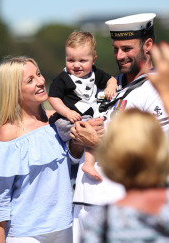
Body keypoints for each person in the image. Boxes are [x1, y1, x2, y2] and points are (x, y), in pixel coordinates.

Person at [81, 42, 169, 242]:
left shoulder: (100, 224)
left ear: (114, 160)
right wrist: (165, 90)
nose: (119, 56)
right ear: (160, 151)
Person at [70, 13, 169, 242]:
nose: (120, 56)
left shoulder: (159, 92)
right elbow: (75, 151)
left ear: (148, 45)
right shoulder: (105, 85)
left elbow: (154, 159)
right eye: (115, 49)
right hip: (82, 205)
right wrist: (77, 140)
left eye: (127, 49)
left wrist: (97, 143)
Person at [0, 56, 102, 243]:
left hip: (65, 226)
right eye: (30, 80)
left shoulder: (58, 121)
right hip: (26, 233)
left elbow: (71, 165)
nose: (40, 81)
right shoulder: (9, 133)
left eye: (38, 74)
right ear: (15, 90)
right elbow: (1, 194)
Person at [49, 31, 117, 181]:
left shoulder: (95, 74)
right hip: (67, 123)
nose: (77, 65)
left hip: (85, 119)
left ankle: (85, 165)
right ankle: (89, 164)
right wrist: (67, 112)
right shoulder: (63, 78)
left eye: (83, 60)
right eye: (71, 60)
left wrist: (111, 87)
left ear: (93, 59)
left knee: (96, 126)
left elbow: (111, 79)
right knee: (92, 129)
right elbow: (53, 97)